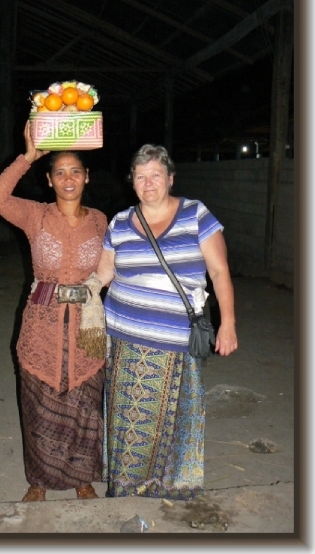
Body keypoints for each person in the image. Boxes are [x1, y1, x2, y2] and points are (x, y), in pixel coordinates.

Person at [96, 143, 238, 500]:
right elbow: (102, 275)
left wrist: (228, 323)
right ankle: (127, 488)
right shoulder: (120, 222)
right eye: (140, 176)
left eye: (155, 175)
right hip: (124, 339)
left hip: (174, 340)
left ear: (170, 178)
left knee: (173, 420)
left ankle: (169, 485)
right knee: (128, 419)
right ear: (132, 182)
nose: (148, 183)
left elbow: (220, 272)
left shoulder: (195, 215)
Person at [0, 121, 108, 502]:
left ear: (87, 177)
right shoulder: (35, 215)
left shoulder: (101, 221)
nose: (68, 178)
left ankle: (82, 478)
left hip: (87, 325)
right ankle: (38, 481)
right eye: (60, 172)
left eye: (75, 171)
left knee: (84, 406)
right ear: (49, 180)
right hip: (43, 323)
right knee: (39, 407)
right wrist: (26, 157)